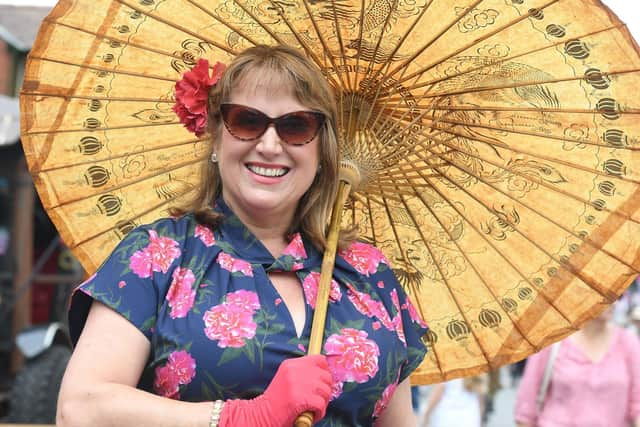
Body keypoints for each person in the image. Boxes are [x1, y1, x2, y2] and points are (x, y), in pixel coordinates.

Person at [56, 44, 428, 427]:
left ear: (321, 151)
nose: (269, 145)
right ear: (217, 137)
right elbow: (81, 410)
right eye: (247, 121)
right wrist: (245, 417)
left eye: (295, 126)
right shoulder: (158, 256)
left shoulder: (367, 272)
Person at [514, 307, 640, 427]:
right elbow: (526, 409)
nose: (613, 303)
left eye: (618, 296)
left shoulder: (627, 342)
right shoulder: (553, 340)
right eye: (605, 295)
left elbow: (637, 403)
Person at [419, 375, 487, 427]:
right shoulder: (479, 371)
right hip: (470, 420)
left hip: (446, 419)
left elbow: (436, 395)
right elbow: (481, 403)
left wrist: (426, 414)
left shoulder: (449, 367)